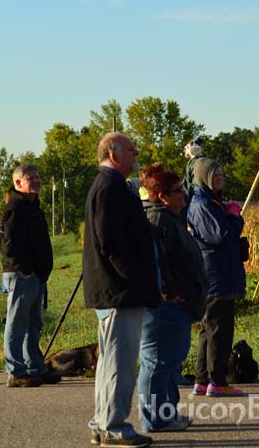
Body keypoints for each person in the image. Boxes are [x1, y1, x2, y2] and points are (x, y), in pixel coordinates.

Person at [83, 132, 161, 448]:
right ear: (114, 154)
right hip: (119, 291)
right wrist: (132, 278)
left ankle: (101, 421)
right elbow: (111, 241)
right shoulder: (109, 188)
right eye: (131, 148)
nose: (136, 152)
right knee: (120, 363)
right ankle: (113, 427)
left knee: (110, 361)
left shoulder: (113, 187)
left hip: (115, 290)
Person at [138, 171, 207, 432]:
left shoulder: (169, 218)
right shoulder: (156, 219)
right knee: (157, 362)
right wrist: (169, 292)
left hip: (178, 304)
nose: (183, 195)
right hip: (166, 305)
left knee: (170, 362)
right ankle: (154, 418)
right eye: (177, 191)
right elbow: (158, 261)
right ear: (160, 196)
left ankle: (167, 412)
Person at [187, 157, 246, 397]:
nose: (220, 177)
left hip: (217, 272)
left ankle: (202, 380)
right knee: (219, 330)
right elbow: (222, 236)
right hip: (216, 274)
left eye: (221, 173)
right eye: (214, 174)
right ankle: (217, 381)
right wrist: (234, 217)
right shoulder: (203, 203)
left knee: (208, 328)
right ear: (203, 177)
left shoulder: (210, 201)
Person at [2, 164, 59, 388]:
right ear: (18, 183)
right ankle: (16, 371)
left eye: (37, 177)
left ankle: (35, 367)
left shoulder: (33, 205)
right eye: (30, 178)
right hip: (22, 276)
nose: (36, 181)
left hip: (35, 277)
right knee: (17, 323)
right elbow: (10, 245)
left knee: (33, 324)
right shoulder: (15, 207)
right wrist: (28, 269)